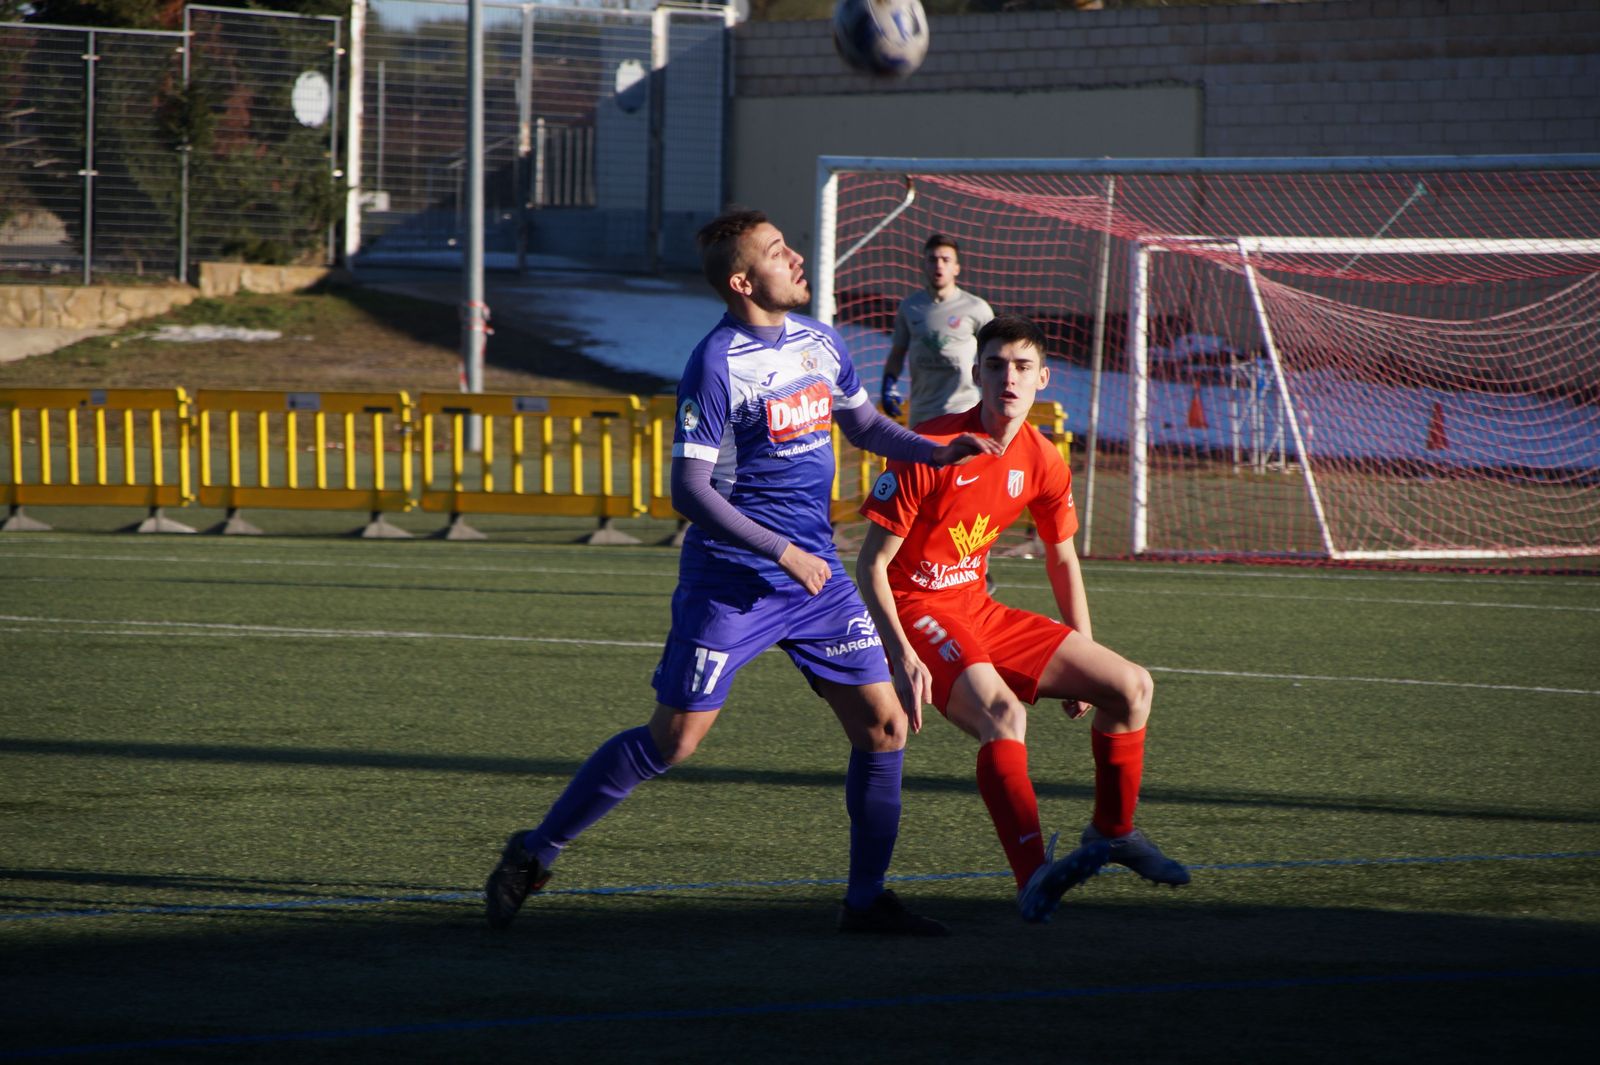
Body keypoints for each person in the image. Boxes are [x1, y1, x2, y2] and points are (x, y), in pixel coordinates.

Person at [485, 208, 999, 936]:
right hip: (732, 583)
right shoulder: (717, 362)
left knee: (886, 727)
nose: (794, 259)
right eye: (776, 251)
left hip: (815, 583)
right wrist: (781, 551)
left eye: (789, 246)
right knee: (675, 740)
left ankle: (865, 900)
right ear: (741, 279)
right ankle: (534, 852)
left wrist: (935, 452)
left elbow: (861, 425)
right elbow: (688, 490)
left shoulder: (821, 341)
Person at [856, 314, 1190, 924]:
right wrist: (900, 653)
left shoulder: (1041, 458)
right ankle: (1032, 875)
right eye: (995, 365)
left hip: (979, 608)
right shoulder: (929, 448)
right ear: (977, 372)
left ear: (1044, 378)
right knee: (1003, 715)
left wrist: (1083, 646)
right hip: (918, 610)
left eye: (1021, 367)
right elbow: (871, 566)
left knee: (1131, 687)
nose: (1007, 378)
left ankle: (1112, 833)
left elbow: (1062, 556)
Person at [880, 234, 995, 427]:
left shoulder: (977, 308)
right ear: (923, 265)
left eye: (946, 260)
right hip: (921, 411)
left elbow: (995, 353)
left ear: (956, 268)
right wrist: (888, 384)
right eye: (932, 260)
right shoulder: (910, 307)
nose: (939, 265)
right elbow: (898, 352)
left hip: (962, 409)